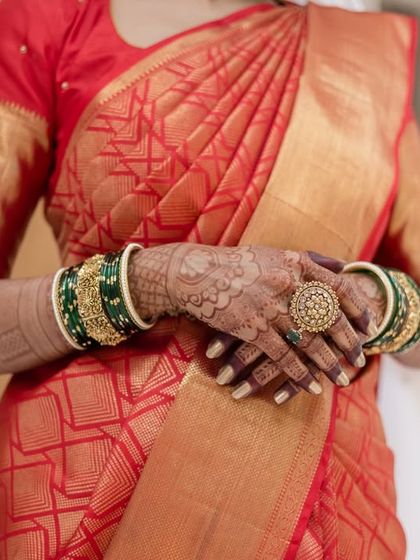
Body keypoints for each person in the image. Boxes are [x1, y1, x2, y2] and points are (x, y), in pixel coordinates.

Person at [0, 0, 418, 558]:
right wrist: (156, 280)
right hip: (84, 498)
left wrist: (369, 301)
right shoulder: (47, 19)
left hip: (325, 513)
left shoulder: (369, 59)